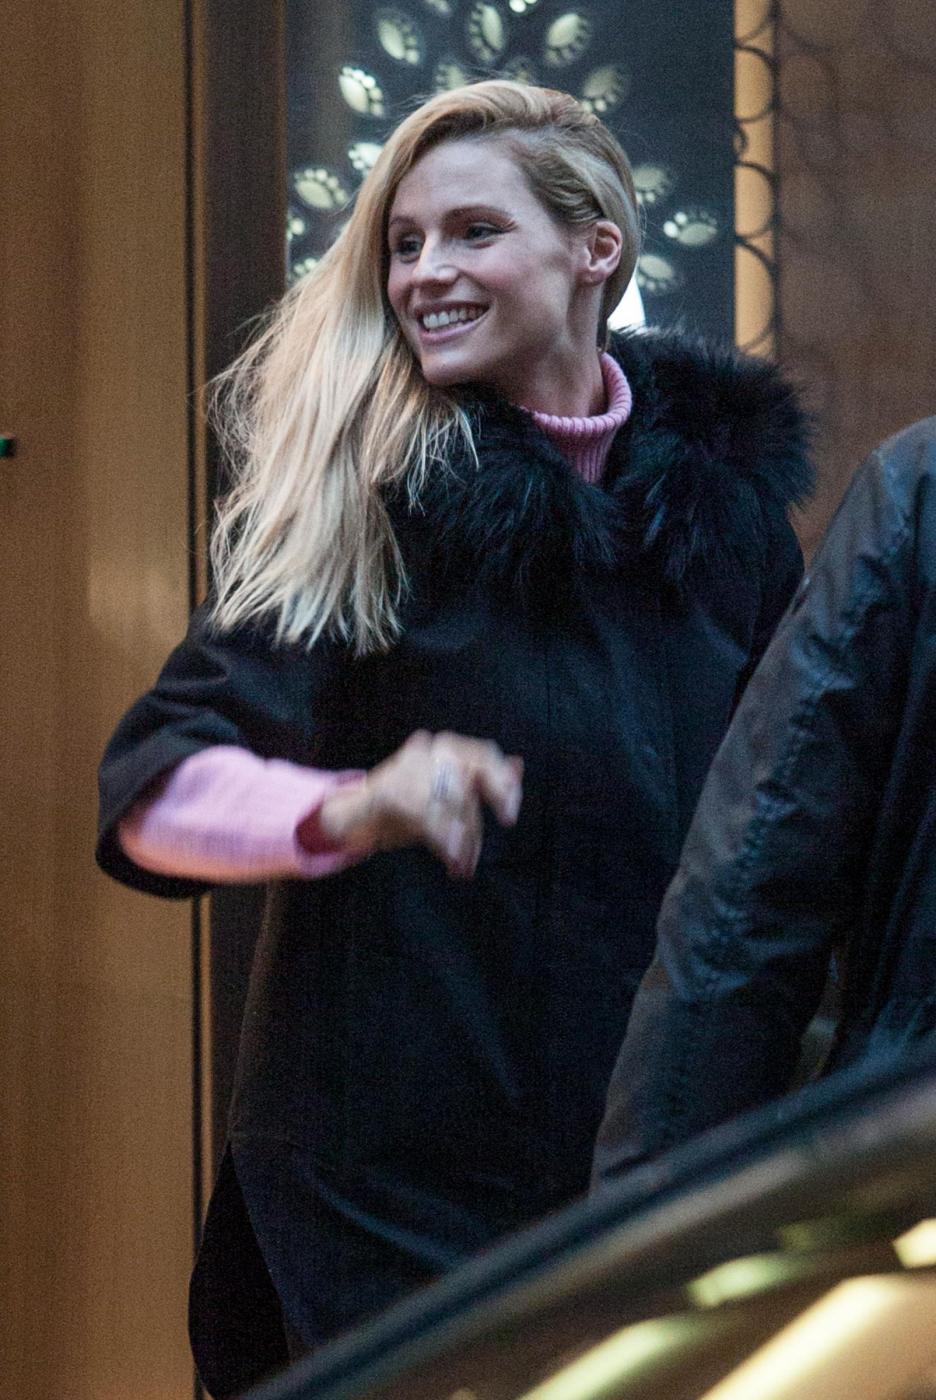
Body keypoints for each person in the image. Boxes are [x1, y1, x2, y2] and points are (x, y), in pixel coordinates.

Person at [96, 80, 811, 1396]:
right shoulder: (363, 499)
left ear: (595, 248)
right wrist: (353, 805)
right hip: (378, 1210)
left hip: (641, 1186)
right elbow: (153, 788)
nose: (425, 271)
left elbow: (791, 834)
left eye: (474, 232)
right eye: (405, 243)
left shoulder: (726, 531)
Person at [592, 418, 936, 1190]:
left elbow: (756, 886)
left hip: (904, 1162)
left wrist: (652, 1210)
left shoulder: (920, 486)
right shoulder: (919, 490)